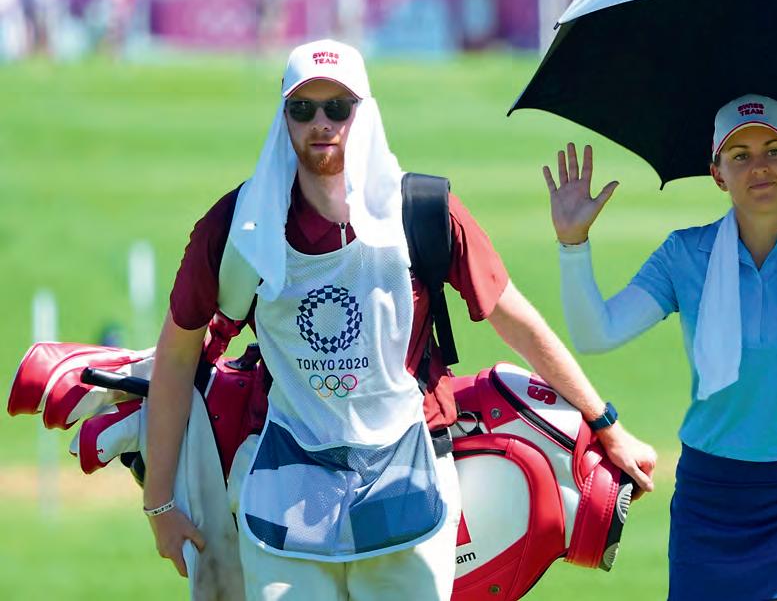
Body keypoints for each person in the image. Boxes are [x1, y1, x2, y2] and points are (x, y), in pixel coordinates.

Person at [144, 38, 656, 600]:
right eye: (303, 108)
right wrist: (159, 504)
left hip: (409, 478)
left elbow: (516, 321)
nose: (321, 124)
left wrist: (606, 424)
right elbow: (178, 353)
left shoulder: (424, 212)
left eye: (338, 107)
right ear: (283, 117)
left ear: (363, 112)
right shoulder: (239, 225)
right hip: (286, 484)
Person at [544, 94, 777, 601]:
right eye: (740, 155)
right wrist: (573, 244)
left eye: (774, 151)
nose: (760, 167)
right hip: (711, 495)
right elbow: (596, 334)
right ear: (717, 174)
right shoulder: (684, 254)